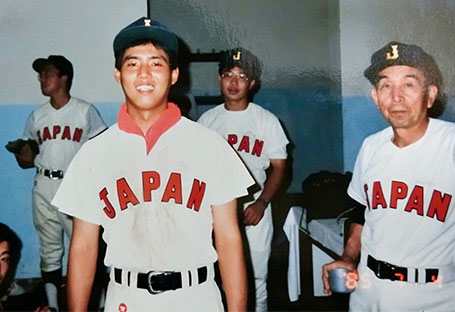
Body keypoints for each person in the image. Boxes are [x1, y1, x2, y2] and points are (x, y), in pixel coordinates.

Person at [51, 17, 254, 312]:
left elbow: (229, 238)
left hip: (196, 297)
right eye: (133, 64)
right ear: (118, 74)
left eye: (156, 64)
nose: (144, 74)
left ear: (173, 75)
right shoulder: (93, 154)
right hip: (126, 297)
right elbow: (82, 248)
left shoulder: (210, 145)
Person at [322, 41, 455, 311]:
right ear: (375, 97)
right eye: (386, 86)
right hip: (369, 291)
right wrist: (348, 257)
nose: (396, 96)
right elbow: (361, 212)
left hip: (436, 296)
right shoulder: (371, 147)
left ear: (430, 95)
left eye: (408, 84)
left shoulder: (450, 145)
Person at [12, 55, 107, 311]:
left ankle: (100, 303)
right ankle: (53, 305)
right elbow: (27, 158)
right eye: (41, 75)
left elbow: (102, 151)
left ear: (64, 77)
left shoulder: (84, 111)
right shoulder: (37, 115)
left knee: (88, 247)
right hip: (43, 185)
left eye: (48, 73)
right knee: (50, 250)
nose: (42, 79)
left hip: (74, 186)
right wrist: (24, 155)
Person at [198, 48, 289, 312]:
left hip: (254, 209)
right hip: (216, 210)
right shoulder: (208, 120)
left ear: (252, 83)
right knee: (217, 277)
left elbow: (280, 168)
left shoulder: (266, 121)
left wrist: (261, 203)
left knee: (256, 278)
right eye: (228, 75)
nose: (234, 82)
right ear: (219, 79)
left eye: (241, 76)